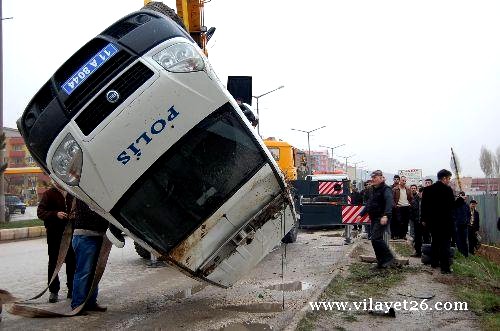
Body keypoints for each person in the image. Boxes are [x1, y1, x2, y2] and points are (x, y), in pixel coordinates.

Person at [37, 181, 75, 303]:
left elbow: (79, 210)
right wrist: (55, 214)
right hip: (54, 235)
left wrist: (74, 215)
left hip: (70, 235)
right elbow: (40, 212)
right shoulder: (48, 194)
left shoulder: (72, 193)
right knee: (54, 262)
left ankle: (72, 289)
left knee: (71, 261)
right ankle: (53, 291)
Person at [71, 199, 109, 312]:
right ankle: (78, 304)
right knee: (84, 272)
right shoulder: (83, 191)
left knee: (94, 272)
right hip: (85, 235)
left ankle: (90, 302)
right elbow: (92, 214)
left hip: (97, 235)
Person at [357, 170, 395, 268]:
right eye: (372, 178)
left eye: (375, 177)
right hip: (374, 217)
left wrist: (386, 215)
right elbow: (369, 203)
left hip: (381, 217)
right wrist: (361, 214)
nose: (373, 179)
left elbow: (389, 202)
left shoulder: (386, 189)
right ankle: (381, 261)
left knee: (375, 238)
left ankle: (389, 258)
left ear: (381, 177)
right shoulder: (373, 189)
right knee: (374, 239)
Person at [421, 169, 455, 274]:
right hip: (445, 222)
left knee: (435, 242)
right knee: (445, 244)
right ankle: (445, 267)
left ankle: (434, 262)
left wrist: (424, 219)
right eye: (449, 178)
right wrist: (460, 201)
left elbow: (424, 206)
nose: (449, 180)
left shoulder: (428, 190)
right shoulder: (447, 190)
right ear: (444, 178)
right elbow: (451, 206)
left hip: (433, 222)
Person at [453, 192, 470, 257]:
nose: (462, 197)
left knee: (464, 240)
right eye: (461, 196)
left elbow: (468, 215)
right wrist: (455, 222)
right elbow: (453, 214)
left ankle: (466, 255)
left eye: (463, 196)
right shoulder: (456, 205)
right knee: (458, 240)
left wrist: (467, 221)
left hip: (464, 226)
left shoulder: (466, 205)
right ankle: (460, 254)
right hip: (457, 225)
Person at [410, 184, 422, 257]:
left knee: (425, 237)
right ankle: (418, 252)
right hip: (416, 220)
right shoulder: (415, 199)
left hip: (424, 221)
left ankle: (424, 252)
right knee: (417, 237)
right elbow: (412, 210)